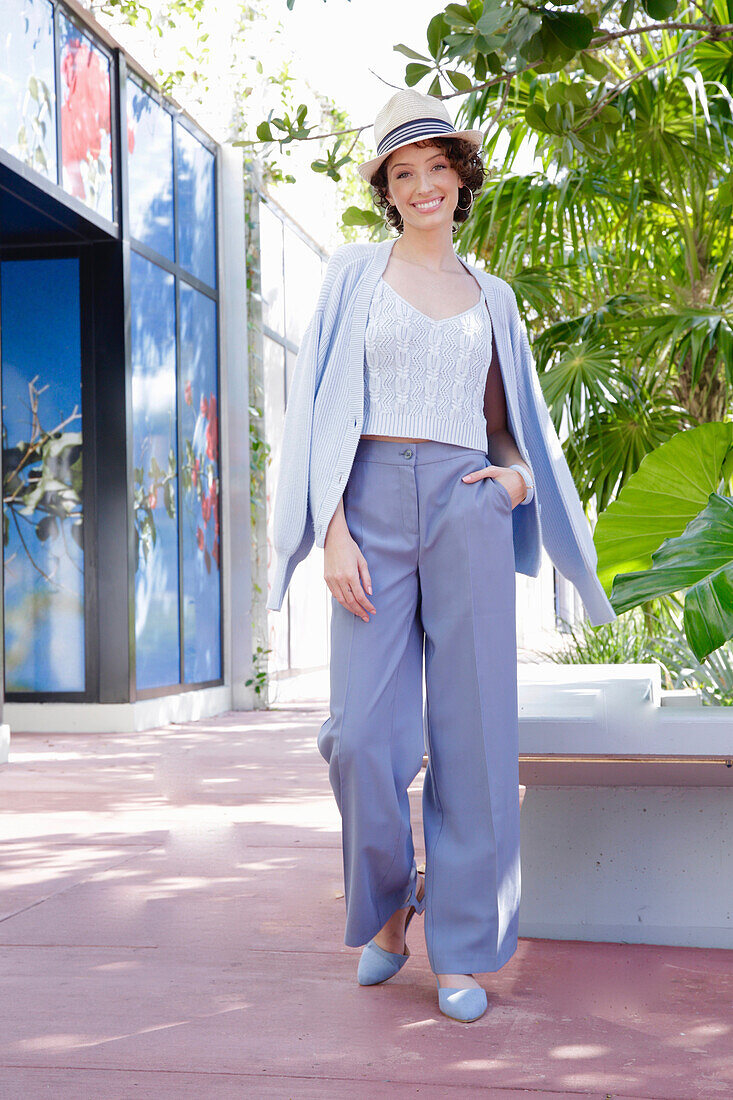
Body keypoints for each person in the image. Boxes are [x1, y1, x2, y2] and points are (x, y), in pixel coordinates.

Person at [266, 88, 616, 1023]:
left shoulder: (491, 298)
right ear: (387, 188)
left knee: (474, 738)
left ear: (462, 178)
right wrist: (332, 527)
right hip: (369, 508)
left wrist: (514, 485)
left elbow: (514, 433)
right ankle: (388, 911)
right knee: (362, 741)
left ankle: (461, 945)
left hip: (465, 506)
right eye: (403, 172)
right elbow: (316, 413)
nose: (423, 185)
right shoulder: (352, 275)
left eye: (437, 168)